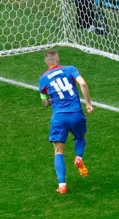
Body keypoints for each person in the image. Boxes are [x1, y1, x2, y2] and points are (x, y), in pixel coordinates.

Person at [38, 50, 94, 194]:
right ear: (57, 59)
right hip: (76, 114)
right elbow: (83, 84)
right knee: (80, 137)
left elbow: (45, 103)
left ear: (46, 62)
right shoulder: (70, 69)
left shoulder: (43, 79)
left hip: (59, 118)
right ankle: (78, 157)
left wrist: (53, 98)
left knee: (58, 152)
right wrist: (88, 103)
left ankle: (62, 185)